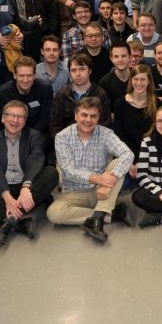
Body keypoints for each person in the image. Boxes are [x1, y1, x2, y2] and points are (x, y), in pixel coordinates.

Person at [0, 100, 60, 245]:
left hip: (25, 187)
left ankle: (5, 221)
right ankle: (18, 221)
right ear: (3, 118)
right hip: (1, 189)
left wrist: (26, 186)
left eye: (20, 117)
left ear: (24, 121)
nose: (15, 120)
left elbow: (36, 160)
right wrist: (7, 197)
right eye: (11, 115)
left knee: (51, 173)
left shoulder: (34, 136)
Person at [48, 97, 134, 241]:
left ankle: (98, 218)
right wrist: (99, 178)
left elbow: (128, 154)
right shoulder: (62, 137)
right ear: (76, 116)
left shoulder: (106, 134)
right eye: (84, 115)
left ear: (98, 118)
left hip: (100, 191)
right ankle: (108, 215)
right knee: (54, 214)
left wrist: (106, 183)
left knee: (118, 163)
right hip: (73, 193)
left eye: (93, 116)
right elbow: (69, 170)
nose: (88, 120)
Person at [0, 56, 54, 150]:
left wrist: (29, 136)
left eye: (29, 75)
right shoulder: (4, 92)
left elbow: (45, 118)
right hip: (13, 130)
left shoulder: (45, 88)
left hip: (38, 131)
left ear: (34, 75)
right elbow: (5, 120)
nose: (25, 80)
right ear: (15, 75)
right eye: (21, 76)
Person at [50, 53, 111, 137]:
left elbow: (104, 125)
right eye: (73, 70)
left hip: (94, 141)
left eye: (82, 69)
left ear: (90, 71)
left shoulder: (100, 94)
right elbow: (54, 125)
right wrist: (62, 142)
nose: (78, 74)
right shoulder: (62, 94)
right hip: (66, 141)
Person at [113, 65, 157, 178]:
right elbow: (118, 137)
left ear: (149, 81)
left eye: (143, 79)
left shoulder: (158, 105)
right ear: (131, 81)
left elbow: (156, 137)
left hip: (150, 157)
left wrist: (142, 161)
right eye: (136, 79)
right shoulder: (120, 104)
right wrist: (128, 161)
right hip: (125, 157)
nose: (139, 83)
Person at [98, 42, 131, 112]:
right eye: (116, 56)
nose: (120, 60)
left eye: (123, 56)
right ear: (111, 59)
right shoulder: (104, 83)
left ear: (130, 57)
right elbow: (104, 111)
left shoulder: (138, 78)